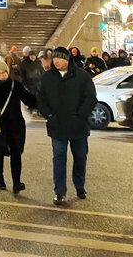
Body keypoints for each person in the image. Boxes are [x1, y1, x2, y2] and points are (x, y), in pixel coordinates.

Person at [37, 45, 97, 206]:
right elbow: (41, 98)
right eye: (54, 58)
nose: (56, 61)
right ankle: (60, 192)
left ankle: (80, 186)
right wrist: (49, 115)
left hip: (78, 126)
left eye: (60, 58)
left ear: (67, 59)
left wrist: (81, 114)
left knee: (80, 157)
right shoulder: (48, 77)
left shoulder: (82, 76)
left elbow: (91, 98)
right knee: (59, 159)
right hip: (57, 125)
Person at [0, 59, 38, 193]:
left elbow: (29, 99)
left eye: (4, 72)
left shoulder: (15, 86)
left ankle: (17, 182)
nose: (2, 75)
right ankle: (0, 179)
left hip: (15, 125)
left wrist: (43, 102)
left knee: (16, 154)